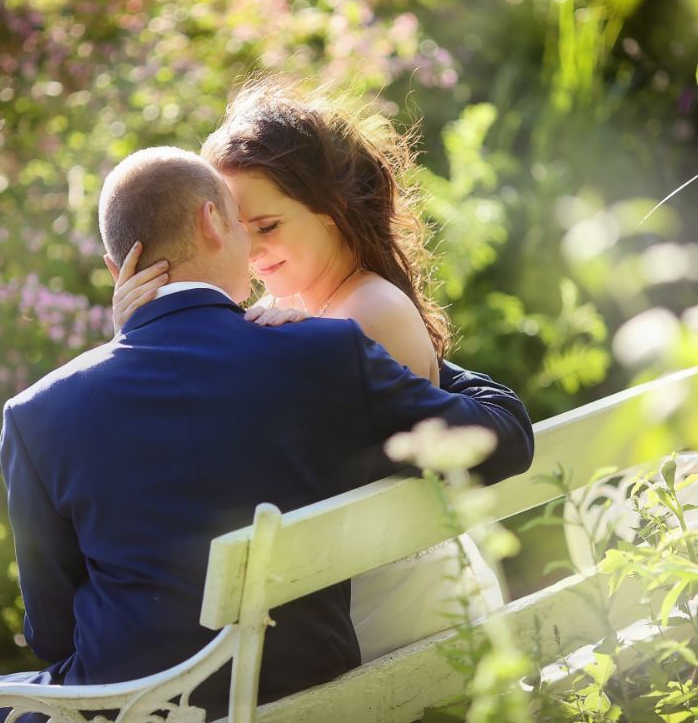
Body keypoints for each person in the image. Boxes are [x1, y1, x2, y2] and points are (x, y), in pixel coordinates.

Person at [0, 146, 532, 722]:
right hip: (304, 687)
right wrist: (411, 356)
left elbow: (52, 635)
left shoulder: (37, 413)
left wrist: (127, 339)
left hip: (130, 706)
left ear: (119, 270)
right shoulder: (322, 353)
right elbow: (505, 436)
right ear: (213, 222)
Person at [108, 80, 506, 662]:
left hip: (390, 619)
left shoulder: (361, 316)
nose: (251, 252)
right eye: (239, 232)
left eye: (268, 226)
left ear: (333, 209)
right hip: (353, 601)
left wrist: (141, 345)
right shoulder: (306, 314)